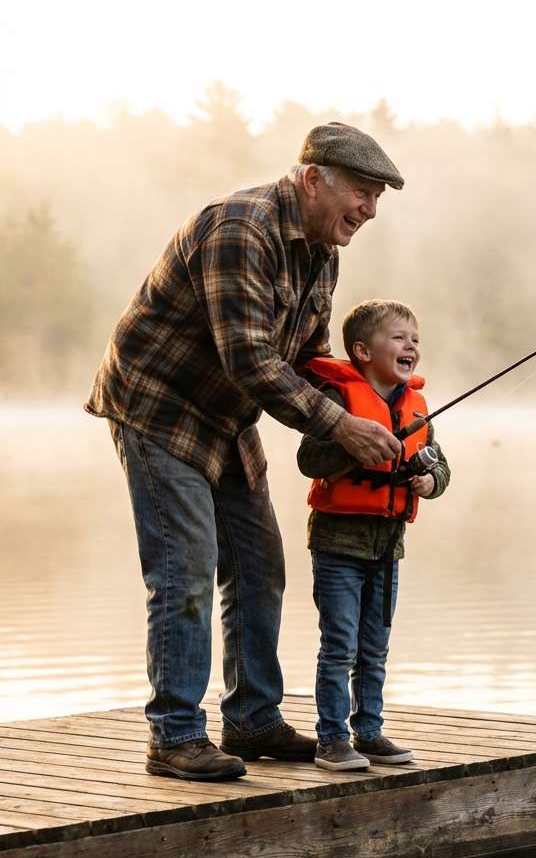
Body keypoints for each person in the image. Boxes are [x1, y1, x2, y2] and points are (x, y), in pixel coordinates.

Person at [85, 123, 406, 781]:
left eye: (378, 198)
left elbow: (309, 357)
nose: (370, 210)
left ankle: (253, 718)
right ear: (313, 178)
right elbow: (253, 361)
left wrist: (372, 402)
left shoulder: (322, 252)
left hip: (226, 420)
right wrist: (340, 430)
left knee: (262, 566)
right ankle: (173, 736)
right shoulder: (242, 228)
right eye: (363, 192)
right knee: (186, 569)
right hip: (159, 408)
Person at [296, 300, 450, 771]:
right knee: (339, 644)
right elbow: (309, 461)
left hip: (387, 547)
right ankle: (330, 739)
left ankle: (369, 732)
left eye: (415, 340)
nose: (411, 347)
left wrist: (430, 481)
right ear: (362, 351)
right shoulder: (341, 402)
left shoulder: (416, 408)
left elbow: (441, 465)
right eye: (399, 338)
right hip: (339, 546)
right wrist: (354, 445)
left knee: (375, 647)